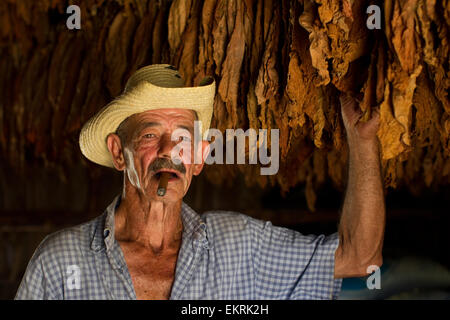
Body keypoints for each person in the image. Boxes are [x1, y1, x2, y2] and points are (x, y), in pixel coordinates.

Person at [15, 64, 385, 300]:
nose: (169, 150)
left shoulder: (241, 249)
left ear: (198, 157)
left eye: (183, 137)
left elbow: (360, 259)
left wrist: (364, 142)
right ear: (117, 151)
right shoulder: (60, 262)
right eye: (148, 135)